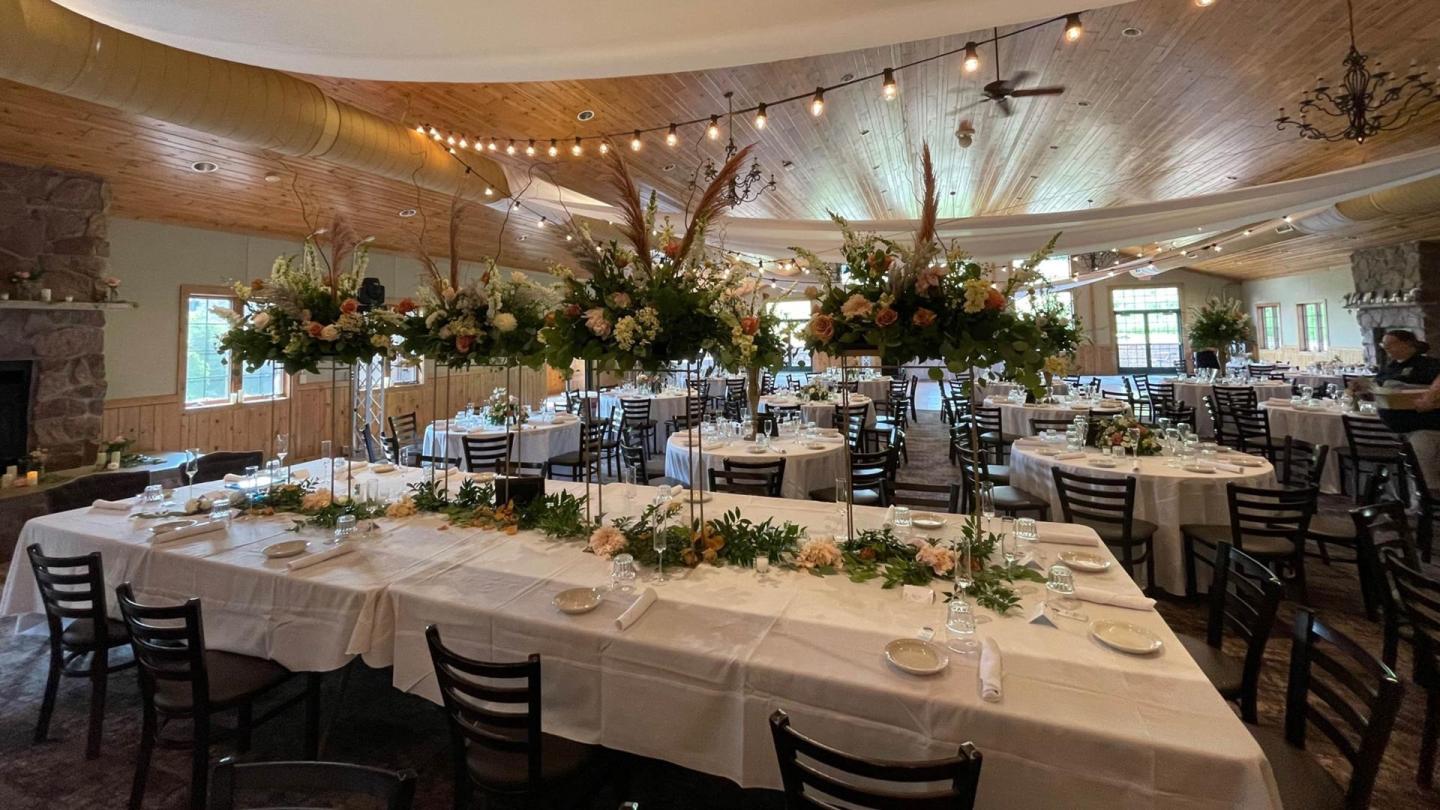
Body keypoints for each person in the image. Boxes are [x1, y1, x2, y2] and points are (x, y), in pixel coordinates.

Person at [1369, 330, 1440, 493]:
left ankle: (1427, 506)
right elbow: (1376, 386)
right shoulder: (1390, 366)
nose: (1386, 348)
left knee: (1424, 472)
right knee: (1407, 470)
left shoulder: (1428, 365)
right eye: (1383, 345)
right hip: (1398, 430)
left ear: (1408, 345)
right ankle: (1405, 502)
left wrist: (1430, 396)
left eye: (1390, 344)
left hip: (1425, 428)